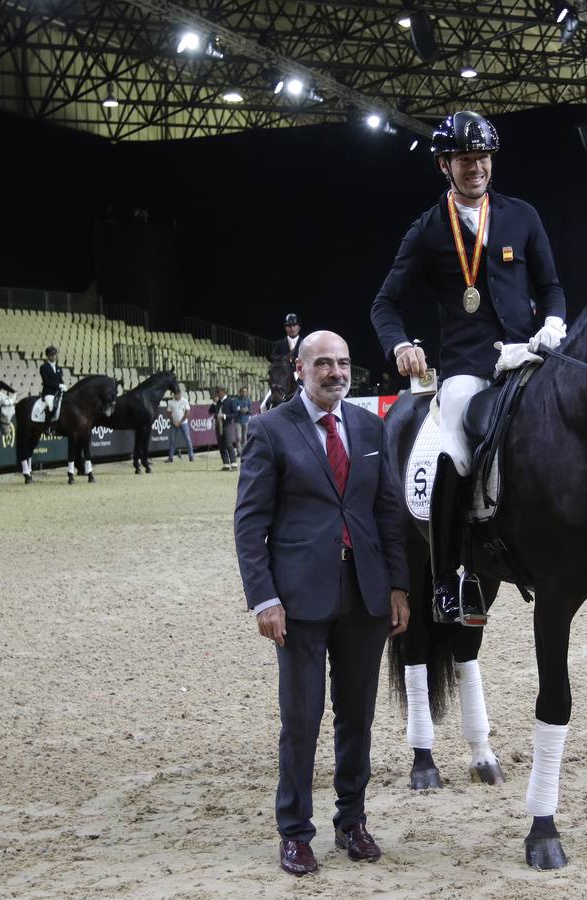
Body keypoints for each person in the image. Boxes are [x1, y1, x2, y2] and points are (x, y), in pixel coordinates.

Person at [370, 109, 582, 626]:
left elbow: (551, 286)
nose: (477, 167)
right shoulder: (426, 231)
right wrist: (400, 346)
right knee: (456, 450)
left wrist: (554, 321)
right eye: (465, 159)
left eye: (483, 157)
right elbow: (384, 304)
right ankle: (446, 580)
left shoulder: (521, 216)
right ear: (445, 165)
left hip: (529, 351)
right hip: (469, 364)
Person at [233, 330, 410, 877]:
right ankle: (295, 832)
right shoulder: (269, 430)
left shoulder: (370, 427)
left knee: (356, 717)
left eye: (344, 363)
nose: (337, 372)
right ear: (300, 369)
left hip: (365, 595)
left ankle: (352, 821)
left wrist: (398, 587)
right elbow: (250, 524)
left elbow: (388, 513)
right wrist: (264, 598)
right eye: (325, 363)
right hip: (298, 602)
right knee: (302, 720)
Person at [209, 387, 237, 471]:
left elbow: (235, 413)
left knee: (229, 444)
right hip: (218, 425)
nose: (217, 393)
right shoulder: (217, 402)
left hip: (227, 425)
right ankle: (226, 464)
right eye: (217, 392)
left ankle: (234, 463)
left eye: (219, 392)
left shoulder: (230, 401)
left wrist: (224, 416)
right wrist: (214, 403)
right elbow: (210, 411)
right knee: (221, 445)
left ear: (224, 392)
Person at [165, 386, 195, 462]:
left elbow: (187, 413)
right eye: (176, 394)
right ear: (174, 394)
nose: (177, 396)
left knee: (187, 439)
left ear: (180, 393)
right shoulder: (171, 402)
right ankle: (170, 458)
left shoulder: (185, 401)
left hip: (183, 423)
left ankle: (191, 456)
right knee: (172, 440)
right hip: (174, 423)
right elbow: (168, 413)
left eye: (178, 394)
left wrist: (180, 422)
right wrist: (173, 421)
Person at [40, 345, 65, 423]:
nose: (54, 356)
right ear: (48, 356)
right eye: (52, 355)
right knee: (51, 406)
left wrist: (63, 385)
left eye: (55, 354)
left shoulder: (59, 368)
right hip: (48, 393)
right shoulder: (44, 367)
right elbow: (46, 382)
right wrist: (58, 385)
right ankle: (48, 424)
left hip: (58, 393)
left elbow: (60, 380)